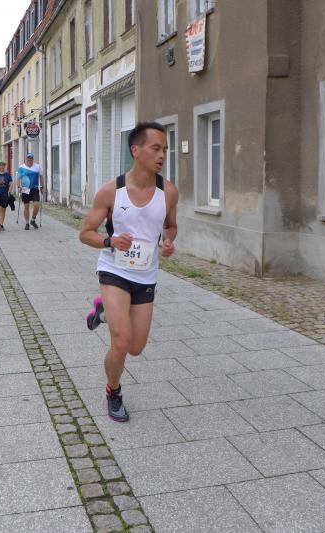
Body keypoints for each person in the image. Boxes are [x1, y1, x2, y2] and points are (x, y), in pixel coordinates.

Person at [79, 122, 179, 423]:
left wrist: (169, 241)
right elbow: (85, 233)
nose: (162, 155)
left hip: (146, 274)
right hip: (114, 269)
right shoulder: (111, 191)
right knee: (121, 343)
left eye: (165, 150)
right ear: (136, 150)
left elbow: (170, 225)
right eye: (156, 148)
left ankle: (103, 312)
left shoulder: (169, 192)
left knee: (136, 347)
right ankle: (113, 391)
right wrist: (110, 241)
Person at [17, 152, 43, 230]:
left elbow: (41, 177)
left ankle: (33, 220)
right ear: (26, 159)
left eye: (31, 158)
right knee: (26, 206)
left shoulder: (37, 167)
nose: (29, 160)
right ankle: (27, 223)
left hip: (35, 189)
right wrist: (19, 186)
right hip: (25, 189)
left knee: (36, 205)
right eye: (28, 158)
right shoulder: (21, 167)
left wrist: (42, 186)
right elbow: (18, 178)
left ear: (33, 159)